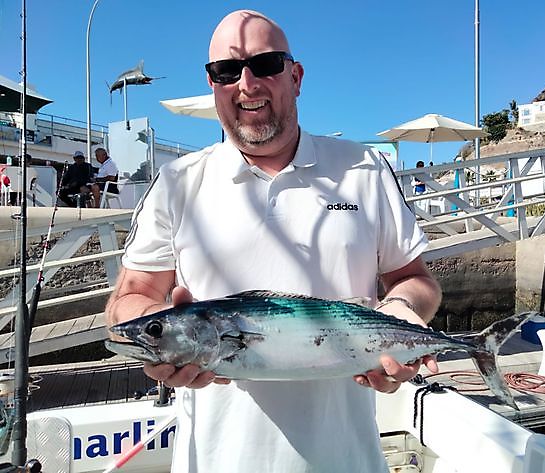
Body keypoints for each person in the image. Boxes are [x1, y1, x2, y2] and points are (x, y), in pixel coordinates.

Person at [105, 10, 441, 473]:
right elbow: (132, 295)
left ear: (295, 75)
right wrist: (157, 332)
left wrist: (403, 311)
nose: (246, 84)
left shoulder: (364, 168)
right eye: (226, 71)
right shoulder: (176, 183)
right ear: (213, 85)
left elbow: (416, 280)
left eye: (265, 65)